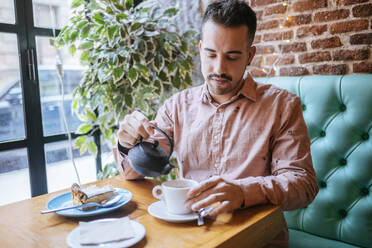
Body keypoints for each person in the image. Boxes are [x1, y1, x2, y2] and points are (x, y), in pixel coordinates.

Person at [114, 0, 318, 247]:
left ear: (250, 55)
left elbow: (303, 185)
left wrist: (242, 192)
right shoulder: (176, 107)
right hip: (189, 237)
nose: (219, 68)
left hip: (257, 240)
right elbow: (135, 173)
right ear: (200, 49)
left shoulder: (282, 106)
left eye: (232, 57)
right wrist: (126, 144)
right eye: (211, 54)